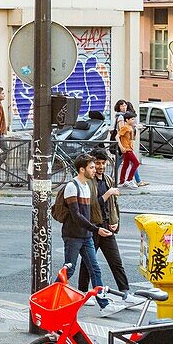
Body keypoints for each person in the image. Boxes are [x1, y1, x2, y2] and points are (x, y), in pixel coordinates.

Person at [75, 149, 129, 294]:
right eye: (97, 163)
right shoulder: (88, 183)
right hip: (92, 227)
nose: (101, 166)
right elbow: (92, 205)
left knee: (116, 262)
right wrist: (108, 193)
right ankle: (83, 291)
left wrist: (115, 221)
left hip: (106, 226)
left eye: (103, 163)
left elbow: (113, 205)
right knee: (88, 263)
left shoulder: (107, 179)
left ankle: (125, 291)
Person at [61, 154, 110, 309]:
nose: (95, 170)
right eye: (91, 167)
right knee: (69, 270)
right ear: (82, 170)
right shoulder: (72, 186)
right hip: (73, 236)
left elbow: (89, 212)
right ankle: (53, 297)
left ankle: (104, 304)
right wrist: (96, 229)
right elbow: (76, 215)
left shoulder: (87, 186)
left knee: (95, 269)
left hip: (86, 236)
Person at [117, 112, 142, 189]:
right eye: (132, 119)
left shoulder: (130, 127)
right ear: (127, 120)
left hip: (129, 148)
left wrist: (136, 129)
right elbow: (117, 136)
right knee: (136, 163)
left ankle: (122, 181)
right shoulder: (125, 127)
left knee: (126, 165)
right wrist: (121, 147)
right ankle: (129, 180)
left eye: (133, 119)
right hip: (126, 149)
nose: (133, 120)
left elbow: (132, 139)